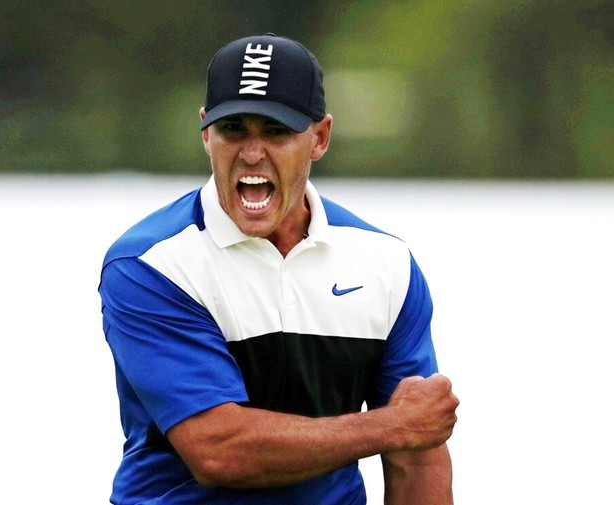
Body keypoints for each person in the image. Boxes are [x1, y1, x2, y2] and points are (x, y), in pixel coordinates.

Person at [98, 33, 459, 505]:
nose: (252, 153)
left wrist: (404, 430)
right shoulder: (151, 265)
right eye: (234, 130)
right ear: (206, 132)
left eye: (275, 131)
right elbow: (219, 450)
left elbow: (417, 453)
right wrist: (389, 426)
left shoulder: (385, 264)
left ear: (320, 138)